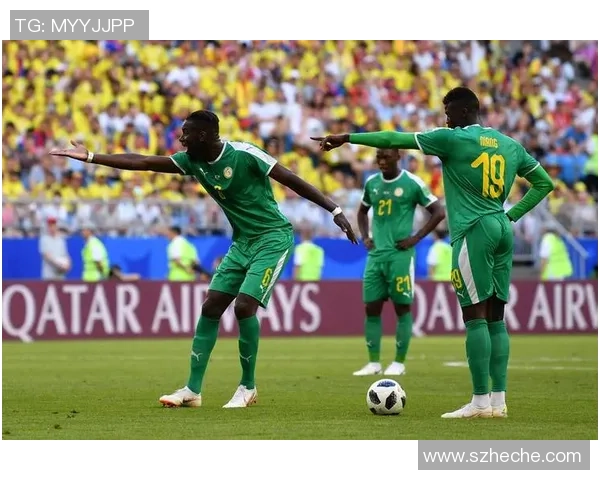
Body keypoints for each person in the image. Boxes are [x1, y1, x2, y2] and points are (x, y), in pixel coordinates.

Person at [50, 109, 357, 409]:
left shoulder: (244, 154)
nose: (180, 139)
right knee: (211, 306)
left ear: (203, 135)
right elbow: (143, 162)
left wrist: (335, 210)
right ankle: (192, 390)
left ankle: (247, 387)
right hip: (242, 242)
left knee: (244, 306)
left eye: (186, 133)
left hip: (272, 238)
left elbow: (291, 179)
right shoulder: (192, 161)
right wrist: (92, 157)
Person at [312, 86, 555, 419]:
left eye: (449, 113)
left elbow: (392, 138)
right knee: (496, 318)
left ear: (465, 111)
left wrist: (347, 137)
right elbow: (544, 183)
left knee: (475, 317)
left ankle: (480, 402)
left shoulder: (451, 139)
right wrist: (512, 215)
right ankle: (498, 402)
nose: (446, 119)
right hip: (501, 228)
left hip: (473, 231)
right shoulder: (509, 144)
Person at [352, 148, 445, 377]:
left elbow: (438, 212)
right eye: (378, 157)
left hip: (400, 256)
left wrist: (416, 238)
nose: (382, 161)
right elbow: (362, 212)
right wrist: (365, 236)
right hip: (376, 256)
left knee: (401, 307)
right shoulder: (372, 183)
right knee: (371, 307)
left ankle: (399, 362)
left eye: (386, 157)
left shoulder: (412, 182)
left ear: (398, 157)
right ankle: (373, 363)